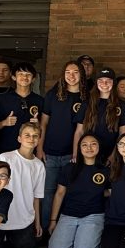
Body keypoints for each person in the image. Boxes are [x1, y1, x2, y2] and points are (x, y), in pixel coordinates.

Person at [0, 122, 44, 248]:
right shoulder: (5, 158)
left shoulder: (39, 166)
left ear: (39, 140)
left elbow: (36, 197)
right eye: (27, 135)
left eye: (35, 136)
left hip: (23, 218)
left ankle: (8, 242)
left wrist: (37, 222)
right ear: (19, 138)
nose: (31, 138)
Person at [37, 61, 85, 236]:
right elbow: (44, 123)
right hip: (50, 152)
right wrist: (39, 149)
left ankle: (62, 232)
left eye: (75, 72)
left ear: (82, 75)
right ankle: (43, 231)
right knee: (48, 193)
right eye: (67, 72)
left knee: (68, 194)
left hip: (72, 155)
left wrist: (77, 154)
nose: (71, 75)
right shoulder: (53, 95)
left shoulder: (86, 97)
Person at [47, 134, 109, 248]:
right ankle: (79, 238)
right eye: (84, 145)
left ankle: (89, 239)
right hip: (68, 215)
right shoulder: (69, 168)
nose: (89, 148)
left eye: (93, 144)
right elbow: (59, 194)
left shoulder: (105, 170)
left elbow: (112, 192)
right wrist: (53, 221)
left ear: (99, 147)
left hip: (93, 215)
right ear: (79, 148)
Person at [73, 67, 125, 162]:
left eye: (108, 81)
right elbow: (79, 132)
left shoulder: (122, 106)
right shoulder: (87, 104)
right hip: (88, 155)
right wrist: (76, 154)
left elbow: (123, 135)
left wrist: (113, 155)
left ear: (113, 83)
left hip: (110, 156)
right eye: (101, 80)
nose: (104, 84)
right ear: (96, 83)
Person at [0, 62, 44, 155]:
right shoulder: (2, 99)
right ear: (13, 77)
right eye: (20, 74)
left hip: (30, 150)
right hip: (6, 149)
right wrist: (4, 122)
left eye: (28, 75)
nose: (25, 77)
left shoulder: (39, 101)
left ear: (33, 79)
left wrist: (38, 124)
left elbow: (44, 127)